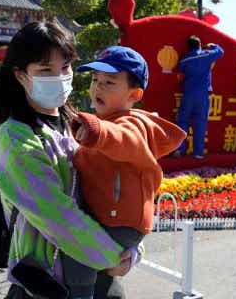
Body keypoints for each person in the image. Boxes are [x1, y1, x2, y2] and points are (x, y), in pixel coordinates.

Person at [0, 22, 136, 299]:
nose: (59, 77)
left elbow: (119, 188)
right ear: (21, 76)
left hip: (102, 275)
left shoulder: (81, 125)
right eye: (45, 70)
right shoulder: (16, 137)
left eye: (65, 67)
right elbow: (56, 214)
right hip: (50, 283)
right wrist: (111, 256)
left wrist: (130, 247)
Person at [65, 46, 186, 298]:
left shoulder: (131, 123)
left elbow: (122, 138)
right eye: (95, 80)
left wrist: (96, 132)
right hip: (109, 216)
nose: (98, 87)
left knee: (78, 254)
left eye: (109, 82)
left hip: (118, 220)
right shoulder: (103, 122)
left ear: (135, 94)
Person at [174, 35, 224, 158]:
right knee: (200, 123)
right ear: (200, 45)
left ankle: (179, 150)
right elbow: (221, 51)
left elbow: (179, 77)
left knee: (182, 122)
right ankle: (198, 153)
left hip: (188, 93)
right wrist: (212, 45)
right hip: (203, 95)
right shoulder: (206, 55)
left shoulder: (184, 59)